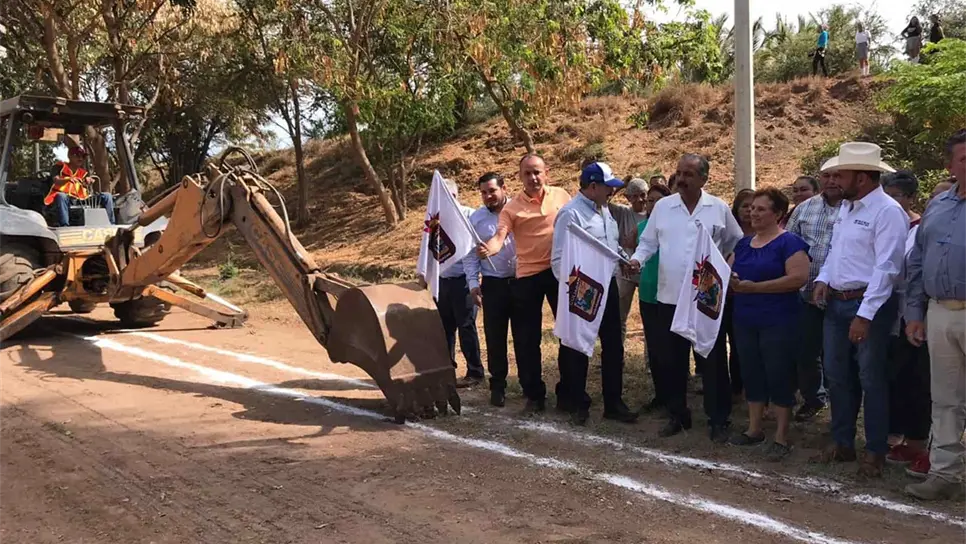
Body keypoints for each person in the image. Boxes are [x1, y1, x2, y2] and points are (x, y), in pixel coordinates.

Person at [628, 154, 743, 442]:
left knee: (713, 360)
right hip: (669, 297)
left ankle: (719, 419)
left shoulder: (717, 208)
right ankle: (678, 415)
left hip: (705, 300)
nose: (682, 178)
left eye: (689, 174)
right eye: (679, 173)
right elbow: (648, 244)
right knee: (672, 360)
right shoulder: (664, 207)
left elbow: (734, 242)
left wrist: (726, 268)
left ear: (704, 178)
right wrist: (637, 261)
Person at [812, 142, 907, 478]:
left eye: (842, 174)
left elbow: (887, 269)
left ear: (863, 178)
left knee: (871, 379)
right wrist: (824, 278)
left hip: (869, 304)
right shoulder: (848, 208)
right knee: (837, 377)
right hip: (837, 301)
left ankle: (875, 451)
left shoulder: (887, 212)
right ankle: (843, 442)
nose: (834, 179)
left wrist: (864, 315)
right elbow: (838, 252)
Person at [478, 154, 571, 413]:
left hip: (558, 272)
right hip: (528, 277)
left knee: (566, 333)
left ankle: (568, 392)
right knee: (527, 340)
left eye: (537, 172)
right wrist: (491, 249)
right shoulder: (511, 208)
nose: (533, 178)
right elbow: (500, 235)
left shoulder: (562, 196)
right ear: (520, 177)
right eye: (527, 173)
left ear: (546, 172)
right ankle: (534, 395)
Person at [904, 130, 966, 500]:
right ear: (951, 165)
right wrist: (914, 313)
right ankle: (944, 474)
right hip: (940, 312)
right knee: (945, 399)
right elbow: (916, 263)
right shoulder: (939, 206)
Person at [551, 162, 638, 425]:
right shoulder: (571, 214)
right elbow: (557, 260)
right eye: (608, 187)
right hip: (582, 291)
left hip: (608, 286)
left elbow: (609, 247)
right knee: (578, 346)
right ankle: (577, 402)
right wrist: (577, 290)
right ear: (593, 187)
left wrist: (625, 259)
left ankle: (613, 402)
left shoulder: (604, 212)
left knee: (613, 345)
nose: (612, 192)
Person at [727, 188, 810, 461]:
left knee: (779, 373)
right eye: (752, 208)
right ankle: (754, 428)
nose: (753, 213)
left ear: (778, 214)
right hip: (746, 318)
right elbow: (728, 271)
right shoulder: (743, 244)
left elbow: (798, 278)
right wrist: (732, 280)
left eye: (761, 209)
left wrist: (757, 288)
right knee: (751, 370)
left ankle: (782, 436)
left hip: (779, 320)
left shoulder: (790, 243)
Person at [880, 171, 931, 472]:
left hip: (922, 315)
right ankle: (901, 435)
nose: (893, 201)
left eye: (898, 195)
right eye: (888, 195)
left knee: (921, 382)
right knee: (898, 378)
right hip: (894, 314)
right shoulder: (887, 223)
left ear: (911, 198)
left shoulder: (919, 227)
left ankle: (919, 442)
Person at [785, 163, 842, 422]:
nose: (831, 181)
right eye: (826, 176)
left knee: (839, 356)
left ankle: (843, 404)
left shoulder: (854, 209)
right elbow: (788, 245)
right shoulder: (804, 209)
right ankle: (814, 399)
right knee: (806, 352)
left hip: (844, 298)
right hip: (807, 295)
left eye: (836, 176)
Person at [465, 172, 518, 406]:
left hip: (521, 281)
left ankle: (530, 384)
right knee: (495, 337)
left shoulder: (519, 210)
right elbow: (469, 256)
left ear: (504, 188)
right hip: (493, 284)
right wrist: (474, 285)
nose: (488, 196)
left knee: (526, 336)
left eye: (492, 191)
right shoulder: (476, 219)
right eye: (484, 192)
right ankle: (497, 385)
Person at [436, 178, 484, 388]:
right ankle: (447, 370)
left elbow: (475, 250)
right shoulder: (434, 220)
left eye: (450, 196)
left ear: (456, 195)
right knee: (444, 328)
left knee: (466, 326)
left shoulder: (469, 216)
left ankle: (475, 371)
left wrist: (475, 281)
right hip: (442, 281)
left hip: (463, 281)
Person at [637, 182, 673, 414]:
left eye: (658, 201)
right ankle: (660, 394)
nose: (653, 205)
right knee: (654, 348)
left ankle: (675, 395)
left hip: (669, 294)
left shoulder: (674, 227)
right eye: (650, 201)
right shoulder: (641, 228)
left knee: (671, 348)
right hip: (647, 293)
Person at [608, 177, 649, 339]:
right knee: (618, 317)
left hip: (647, 273)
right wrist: (620, 186)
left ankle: (650, 362)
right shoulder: (622, 212)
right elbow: (602, 203)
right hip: (625, 272)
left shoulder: (654, 214)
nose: (640, 199)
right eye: (634, 196)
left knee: (650, 319)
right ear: (628, 198)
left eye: (643, 194)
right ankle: (617, 358)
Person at [46, 146, 115, 227]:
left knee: (107, 196)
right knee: (61, 196)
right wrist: (68, 180)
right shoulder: (59, 167)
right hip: (65, 199)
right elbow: (56, 181)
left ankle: (111, 225)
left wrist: (88, 182)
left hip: (81, 199)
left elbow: (84, 184)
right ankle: (65, 226)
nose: (80, 158)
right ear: (70, 156)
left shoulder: (83, 173)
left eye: (82, 156)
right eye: (77, 155)